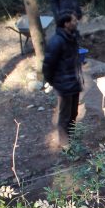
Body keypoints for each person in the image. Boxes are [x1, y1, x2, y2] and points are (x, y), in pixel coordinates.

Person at [42, 12, 83, 145]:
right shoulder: (56, 41)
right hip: (64, 85)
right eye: (73, 20)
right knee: (65, 116)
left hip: (74, 82)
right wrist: (53, 82)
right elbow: (48, 65)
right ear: (66, 24)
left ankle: (71, 139)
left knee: (73, 113)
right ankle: (66, 146)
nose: (76, 22)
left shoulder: (72, 37)